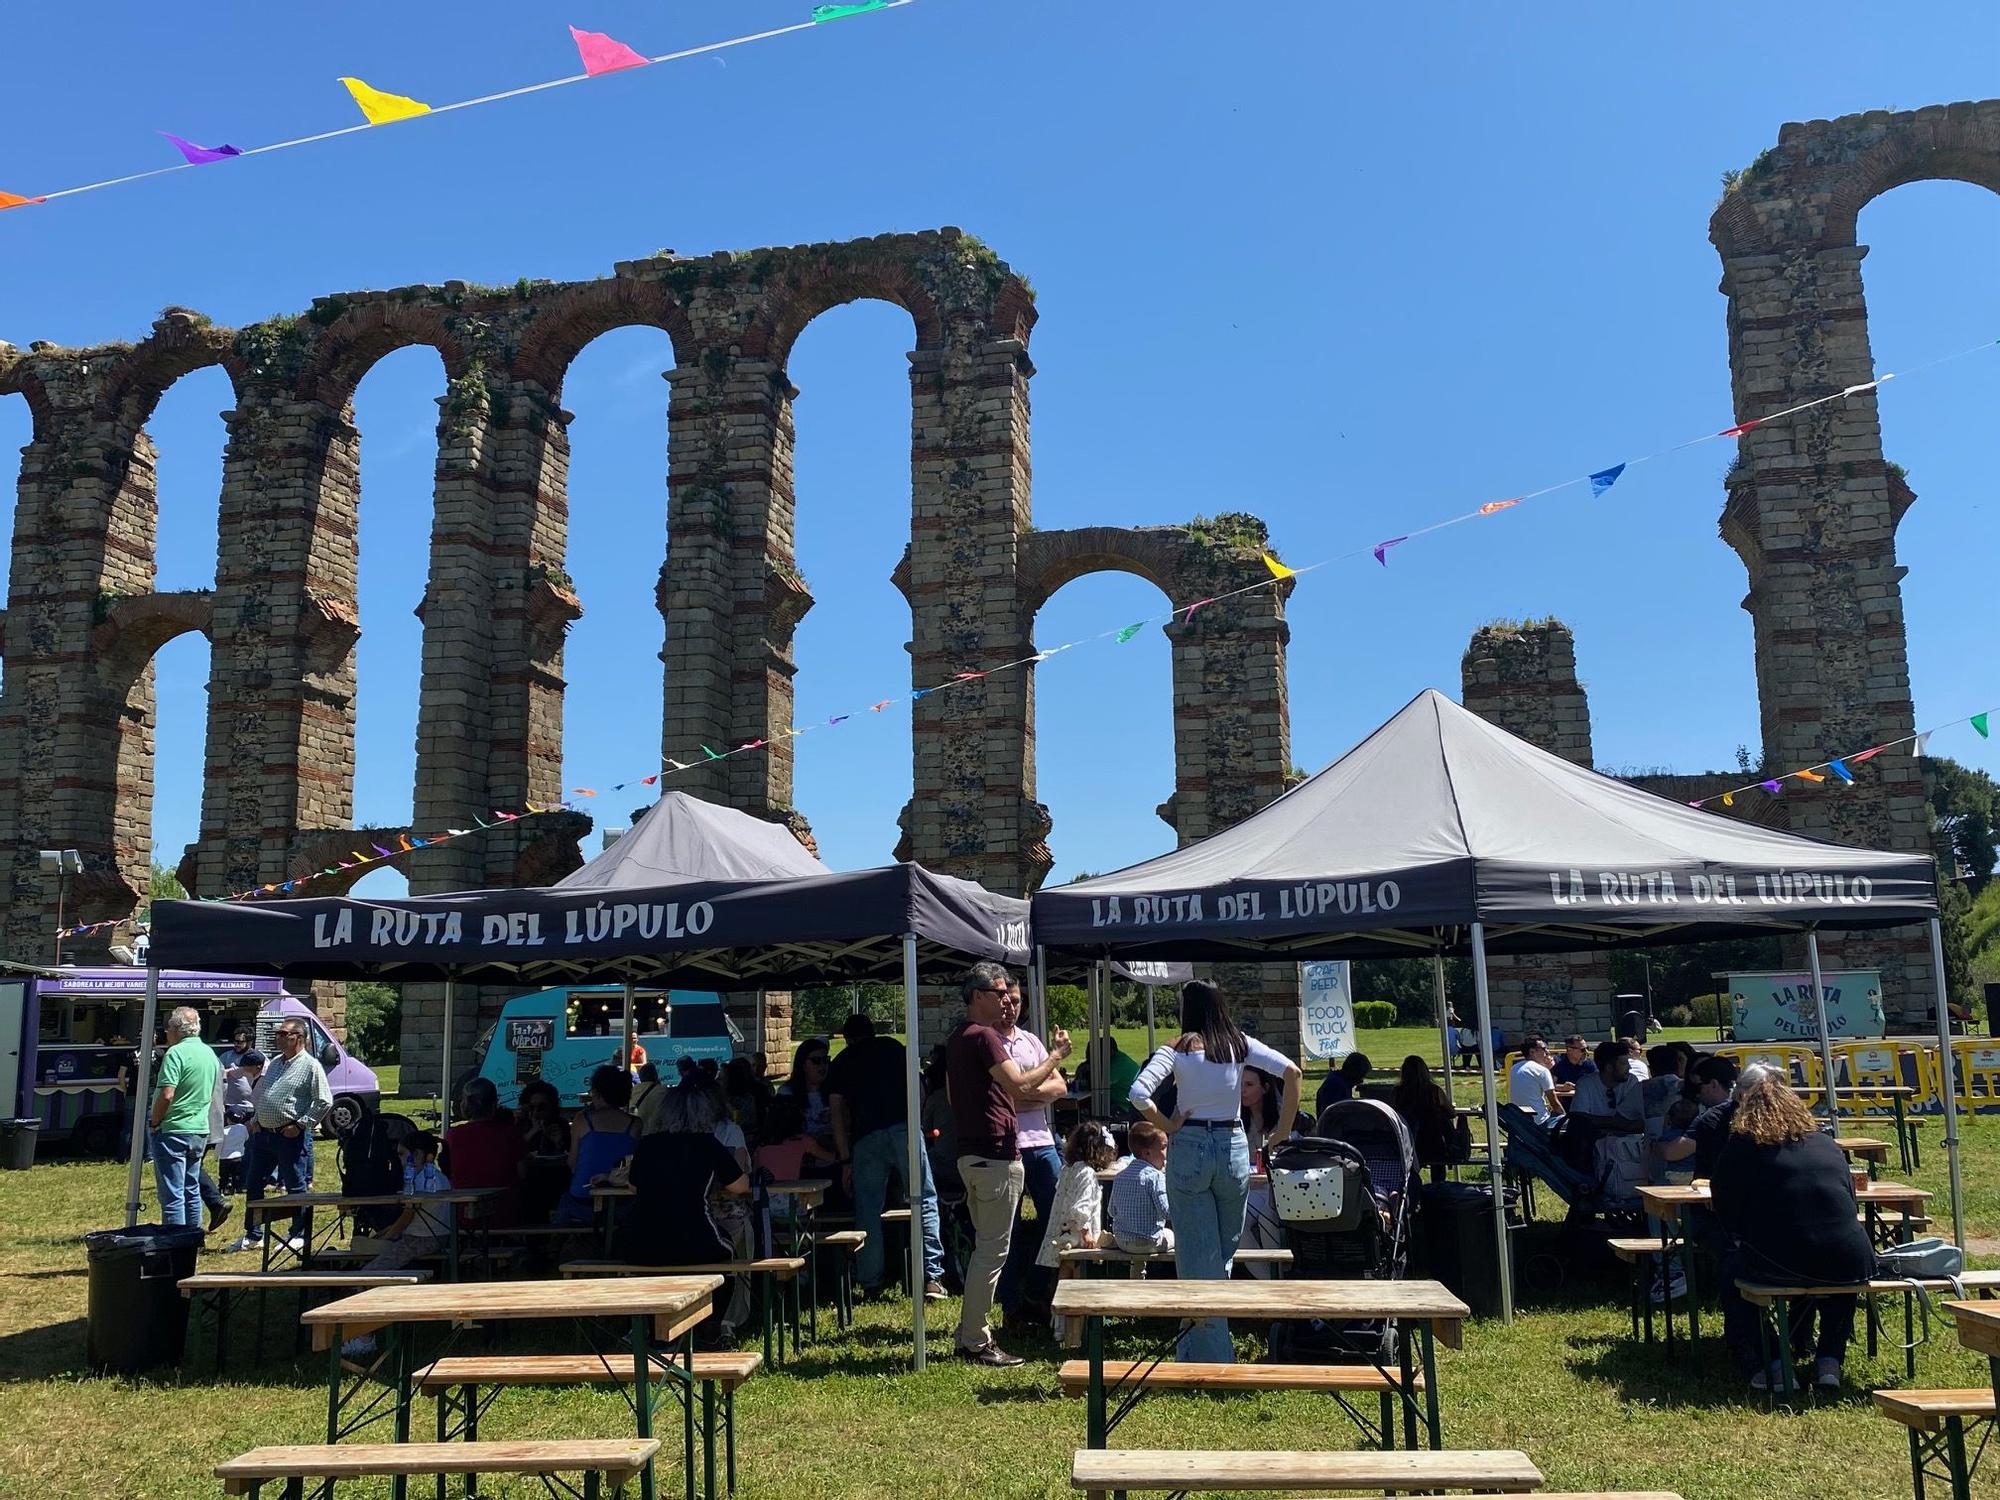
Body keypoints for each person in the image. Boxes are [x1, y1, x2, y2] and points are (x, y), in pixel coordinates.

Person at [1130, 979, 1301, 1363]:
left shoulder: (1176, 1047)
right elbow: (1293, 1073)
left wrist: (1168, 1124)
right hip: (1232, 1147)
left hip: (1189, 1146)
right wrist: (1283, 1130)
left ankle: (1206, 1349)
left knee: (1198, 1253)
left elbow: (1138, 1094)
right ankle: (1199, 1339)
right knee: (1221, 1249)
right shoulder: (1238, 1044)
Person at [1712, 1068, 1874, 1391]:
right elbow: (1849, 1199)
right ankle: (1829, 1362)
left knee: (1732, 1271)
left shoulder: (1741, 1147)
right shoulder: (1827, 1144)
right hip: (1852, 1257)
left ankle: (1773, 1362)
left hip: (1780, 1260)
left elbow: (1724, 1207)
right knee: (1839, 1271)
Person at [946, 961, 1072, 1367]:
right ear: (978, 995)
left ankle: (972, 1332)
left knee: (989, 1248)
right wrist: (1054, 1057)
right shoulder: (984, 1038)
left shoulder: (957, 1038)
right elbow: (1019, 1085)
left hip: (972, 1155)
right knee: (992, 1253)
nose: (1007, 1001)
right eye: (999, 993)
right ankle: (976, 1342)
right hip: (996, 1155)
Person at [826, 1014, 948, 1304]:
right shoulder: (895, 1048)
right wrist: (916, 1126)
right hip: (904, 1127)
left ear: (847, 1037)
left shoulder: (842, 1061)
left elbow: (836, 1113)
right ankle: (932, 1276)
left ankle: (870, 1282)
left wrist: (844, 1159)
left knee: (868, 1209)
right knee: (924, 1199)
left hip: (866, 1136)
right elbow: (919, 1088)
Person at [343, 1131, 452, 1357]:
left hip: (420, 1240)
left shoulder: (421, 1180)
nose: (400, 1160)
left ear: (419, 1155)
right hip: (436, 1238)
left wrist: (389, 1234)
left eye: (402, 1155)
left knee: (366, 1276)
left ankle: (365, 1338)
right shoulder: (439, 1177)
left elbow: (407, 1218)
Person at [996, 978, 1067, 1324]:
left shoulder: (1030, 1041)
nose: (1012, 1007)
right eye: (1006, 1000)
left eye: (1017, 1001)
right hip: (1008, 1146)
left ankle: (1037, 1290)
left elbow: (1060, 1086)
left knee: (1058, 1219)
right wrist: (1031, 1090)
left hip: (1043, 1143)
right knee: (1005, 1228)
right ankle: (1011, 1303)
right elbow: (1003, 1097)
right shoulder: (988, 1042)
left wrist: (1026, 1093)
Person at [243, 1015, 331, 1250]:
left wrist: (302, 1124)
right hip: (263, 1134)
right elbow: (265, 1094)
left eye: (284, 1034)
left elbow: (323, 1101)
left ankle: (299, 1233)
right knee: (253, 1183)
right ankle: (253, 1235)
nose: (278, 1038)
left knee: (295, 1184)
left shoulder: (310, 1065)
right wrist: (256, 1119)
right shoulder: (275, 1063)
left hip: (288, 1135)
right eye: (278, 1034)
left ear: (299, 1038)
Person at [149, 1005, 221, 1230]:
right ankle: (193, 1237)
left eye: (168, 1027)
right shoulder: (209, 1053)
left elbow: (167, 1094)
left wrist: (155, 1121)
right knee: (191, 1189)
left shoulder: (175, 1053)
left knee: (172, 1193)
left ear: (178, 1030)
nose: (166, 1032)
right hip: (198, 1128)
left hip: (173, 1128)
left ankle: (175, 1242)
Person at [554, 1066, 639, 1226]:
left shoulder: (582, 1120)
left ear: (597, 1092)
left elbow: (572, 1164)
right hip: (622, 1201)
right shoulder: (635, 1124)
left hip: (582, 1200)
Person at [442, 1076, 527, 1228]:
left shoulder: (453, 1135)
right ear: (494, 1104)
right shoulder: (510, 1133)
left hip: (465, 1213)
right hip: (504, 1211)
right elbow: (523, 1173)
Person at [1036, 1120, 1119, 1272]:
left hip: (1062, 1228)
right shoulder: (1087, 1173)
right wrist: (1086, 1233)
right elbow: (1081, 1206)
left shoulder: (1069, 1168)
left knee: (1067, 1264)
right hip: (1075, 1233)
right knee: (1073, 1265)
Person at [1239, 1065, 1291, 1273]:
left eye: (1249, 1085)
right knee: (1238, 1222)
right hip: (1249, 1186)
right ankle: (1266, 1279)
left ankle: (1280, 1274)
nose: (1242, 1090)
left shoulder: (1280, 1117)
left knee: (1267, 1219)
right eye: (1240, 1084)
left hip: (1275, 1186)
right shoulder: (1235, 1119)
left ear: (1265, 1088)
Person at [1109, 1121, 1173, 1255]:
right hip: (1148, 1242)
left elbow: (1112, 1211)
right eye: (1163, 1147)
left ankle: (1136, 1275)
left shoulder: (1120, 1176)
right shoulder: (1156, 1177)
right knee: (1173, 1235)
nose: (1167, 1153)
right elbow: (1166, 1212)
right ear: (1147, 1153)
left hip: (1122, 1241)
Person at [1390, 1055, 1457, 1183]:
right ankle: (1438, 1190)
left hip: (1408, 1141)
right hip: (1433, 1141)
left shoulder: (1397, 1092)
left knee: (1409, 1174)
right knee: (1438, 1168)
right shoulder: (1434, 1092)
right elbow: (1451, 1113)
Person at [516, 1079, 571, 1223]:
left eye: (542, 1108)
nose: (536, 1112)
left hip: (554, 1178)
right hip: (527, 1180)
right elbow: (514, 1150)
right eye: (532, 1107)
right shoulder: (520, 1125)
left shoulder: (560, 1124)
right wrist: (533, 1131)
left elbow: (569, 1152)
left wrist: (559, 1141)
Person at [782, 1038, 834, 1143]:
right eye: (816, 1061)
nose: (822, 1065)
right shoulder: (787, 1092)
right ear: (803, 1064)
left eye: (826, 1060)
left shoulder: (834, 1092)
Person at [1506, 1036, 1559, 1124]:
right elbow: (1554, 1103)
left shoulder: (1514, 1068)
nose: (1547, 1052)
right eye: (1543, 1049)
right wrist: (1564, 1117)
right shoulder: (1541, 1071)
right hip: (1540, 1122)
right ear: (1532, 1052)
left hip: (1518, 1120)